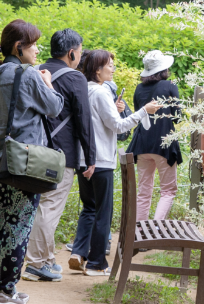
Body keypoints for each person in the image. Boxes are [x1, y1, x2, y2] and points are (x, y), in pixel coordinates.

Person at [0, 19, 64, 304]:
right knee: (19, 226)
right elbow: (55, 107)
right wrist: (49, 84)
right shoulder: (29, 75)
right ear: (18, 47)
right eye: (33, 44)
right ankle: (5, 292)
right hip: (23, 163)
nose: (37, 50)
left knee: (0, 224)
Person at [69, 49, 157, 275]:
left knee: (89, 207)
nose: (113, 68)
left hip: (82, 158)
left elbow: (101, 121)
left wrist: (116, 111)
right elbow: (117, 127)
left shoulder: (82, 90)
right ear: (97, 70)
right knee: (103, 212)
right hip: (101, 160)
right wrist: (142, 112)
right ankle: (97, 263)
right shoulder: (100, 92)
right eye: (109, 65)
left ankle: (78, 253)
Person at [23, 28, 94, 283]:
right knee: (49, 208)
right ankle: (35, 264)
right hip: (62, 155)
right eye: (81, 50)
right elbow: (84, 120)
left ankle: (47, 259)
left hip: (33, 150)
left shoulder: (34, 71)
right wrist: (91, 156)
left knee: (39, 206)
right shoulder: (76, 78)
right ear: (72, 52)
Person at [129, 50, 183, 221]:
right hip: (163, 144)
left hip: (142, 145)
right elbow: (177, 117)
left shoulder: (138, 88)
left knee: (144, 191)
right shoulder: (170, 86)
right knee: (168, 190)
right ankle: (155, 231)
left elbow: (138, 114)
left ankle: (140, 233)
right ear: (164, 69)